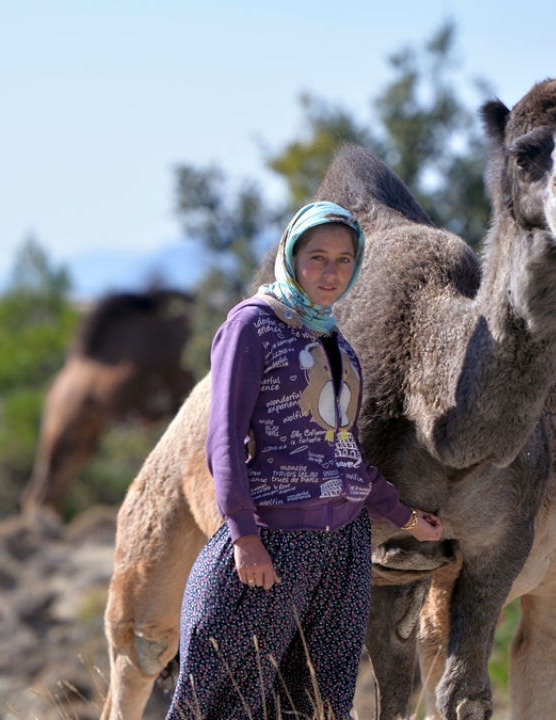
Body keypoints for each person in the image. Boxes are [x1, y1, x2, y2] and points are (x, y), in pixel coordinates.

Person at [168, 201, 443, 719]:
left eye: (343, 260)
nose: (330, 272)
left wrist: (404, 516)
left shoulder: (334, 338)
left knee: (317, 704)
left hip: (343, 550)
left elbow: (344, 451)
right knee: (223, 699)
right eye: (318, 257)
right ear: (292, 257)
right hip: (274, 542)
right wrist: (245, 538)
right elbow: (222, 441)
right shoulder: (252, 326)